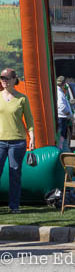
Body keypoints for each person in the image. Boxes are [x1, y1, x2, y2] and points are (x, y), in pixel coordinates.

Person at [0, 68, 35, 213]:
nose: (4, 80)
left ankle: (14, 206)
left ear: (14, 79)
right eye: (2, 78)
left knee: (14, 174)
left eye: (7, 78)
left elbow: (29, 120)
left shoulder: (22, 98)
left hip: (17, 142)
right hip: (0, 141)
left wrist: (32, 137)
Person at [56, 76, 72, 150]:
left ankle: (62, 149)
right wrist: (68, 114)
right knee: (62, 136)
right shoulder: (59, 93)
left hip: (62, 117)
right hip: (61, 118)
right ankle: (61, 150)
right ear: (63, 84)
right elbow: (61, 106)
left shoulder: (59, 92)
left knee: (63, 136)